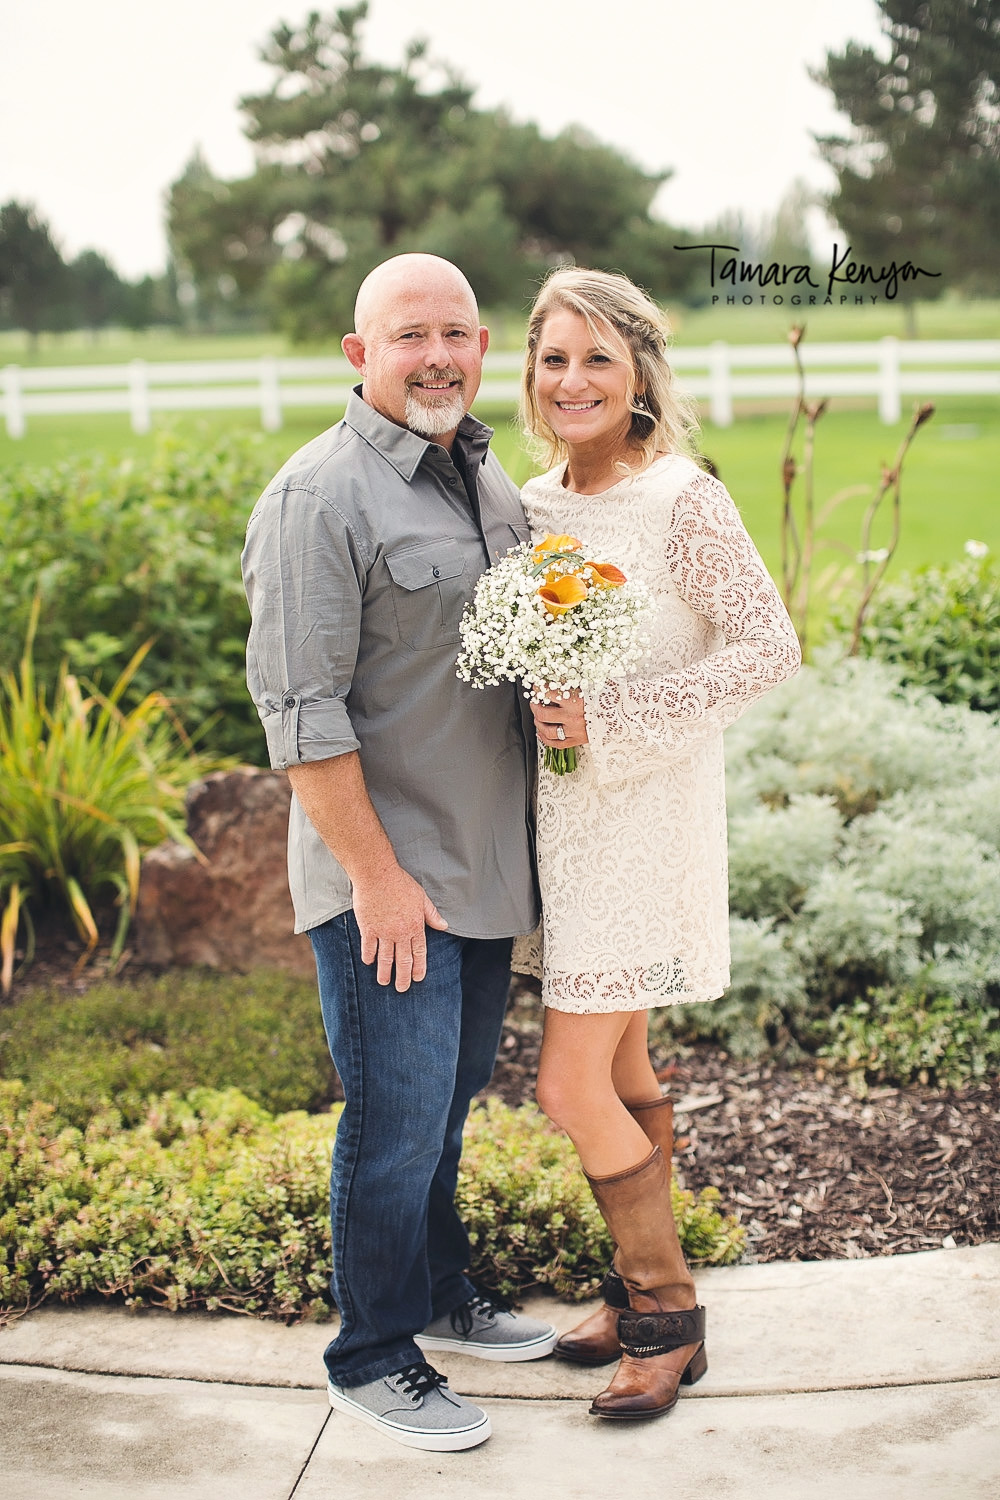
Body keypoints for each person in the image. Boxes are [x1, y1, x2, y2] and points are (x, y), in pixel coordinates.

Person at [242, 252, 556, 1454]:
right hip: (386, 881)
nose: (439, 354)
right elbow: (302, 717)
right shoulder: (318, 499)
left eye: (459, 332)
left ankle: (440, 1292)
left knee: (447, 1107)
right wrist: (376, 879)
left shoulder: (483, 478)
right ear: (357, 354)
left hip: (480, 872)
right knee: (391, 1120)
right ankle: (371, 1352)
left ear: (482, 350)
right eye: (410, 333)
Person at [513, 267, 801, 1421]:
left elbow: (766, 646)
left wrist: (616, 723)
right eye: (552, 359)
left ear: (638, 375)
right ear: (529, 377)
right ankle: (634, 1296)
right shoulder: (533, 504)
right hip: (563, 825)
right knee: (620, 1071)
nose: (572, 380)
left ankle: (665, 1310)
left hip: (646, 818)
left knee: (565, 1079)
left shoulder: (683, 498)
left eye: (596, 359)